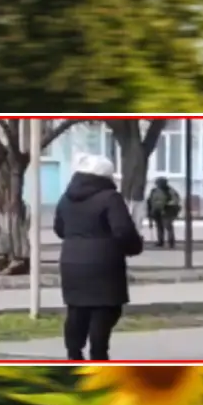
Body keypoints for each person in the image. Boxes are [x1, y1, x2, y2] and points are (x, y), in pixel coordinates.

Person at [53, 154, 143, 361]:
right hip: (104, 263)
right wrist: (134, 247)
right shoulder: (110, 197)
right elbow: (123, 230)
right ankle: (98, 355)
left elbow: (60, 229)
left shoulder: (66, 198)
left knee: (76, 309)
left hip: (71, 261)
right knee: (106, 309)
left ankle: (73, 354)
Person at [146, 177, 181, 248]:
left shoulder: (170, 191)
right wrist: (150, 211)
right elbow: (150, 201)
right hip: (157, 211)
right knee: (160, 227)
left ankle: (170, 242)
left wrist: (166, 205)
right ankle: (160, 241)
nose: (158, 185)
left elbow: (175, 200)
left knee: (167, 226)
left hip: (167, 211)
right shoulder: (154, 191)